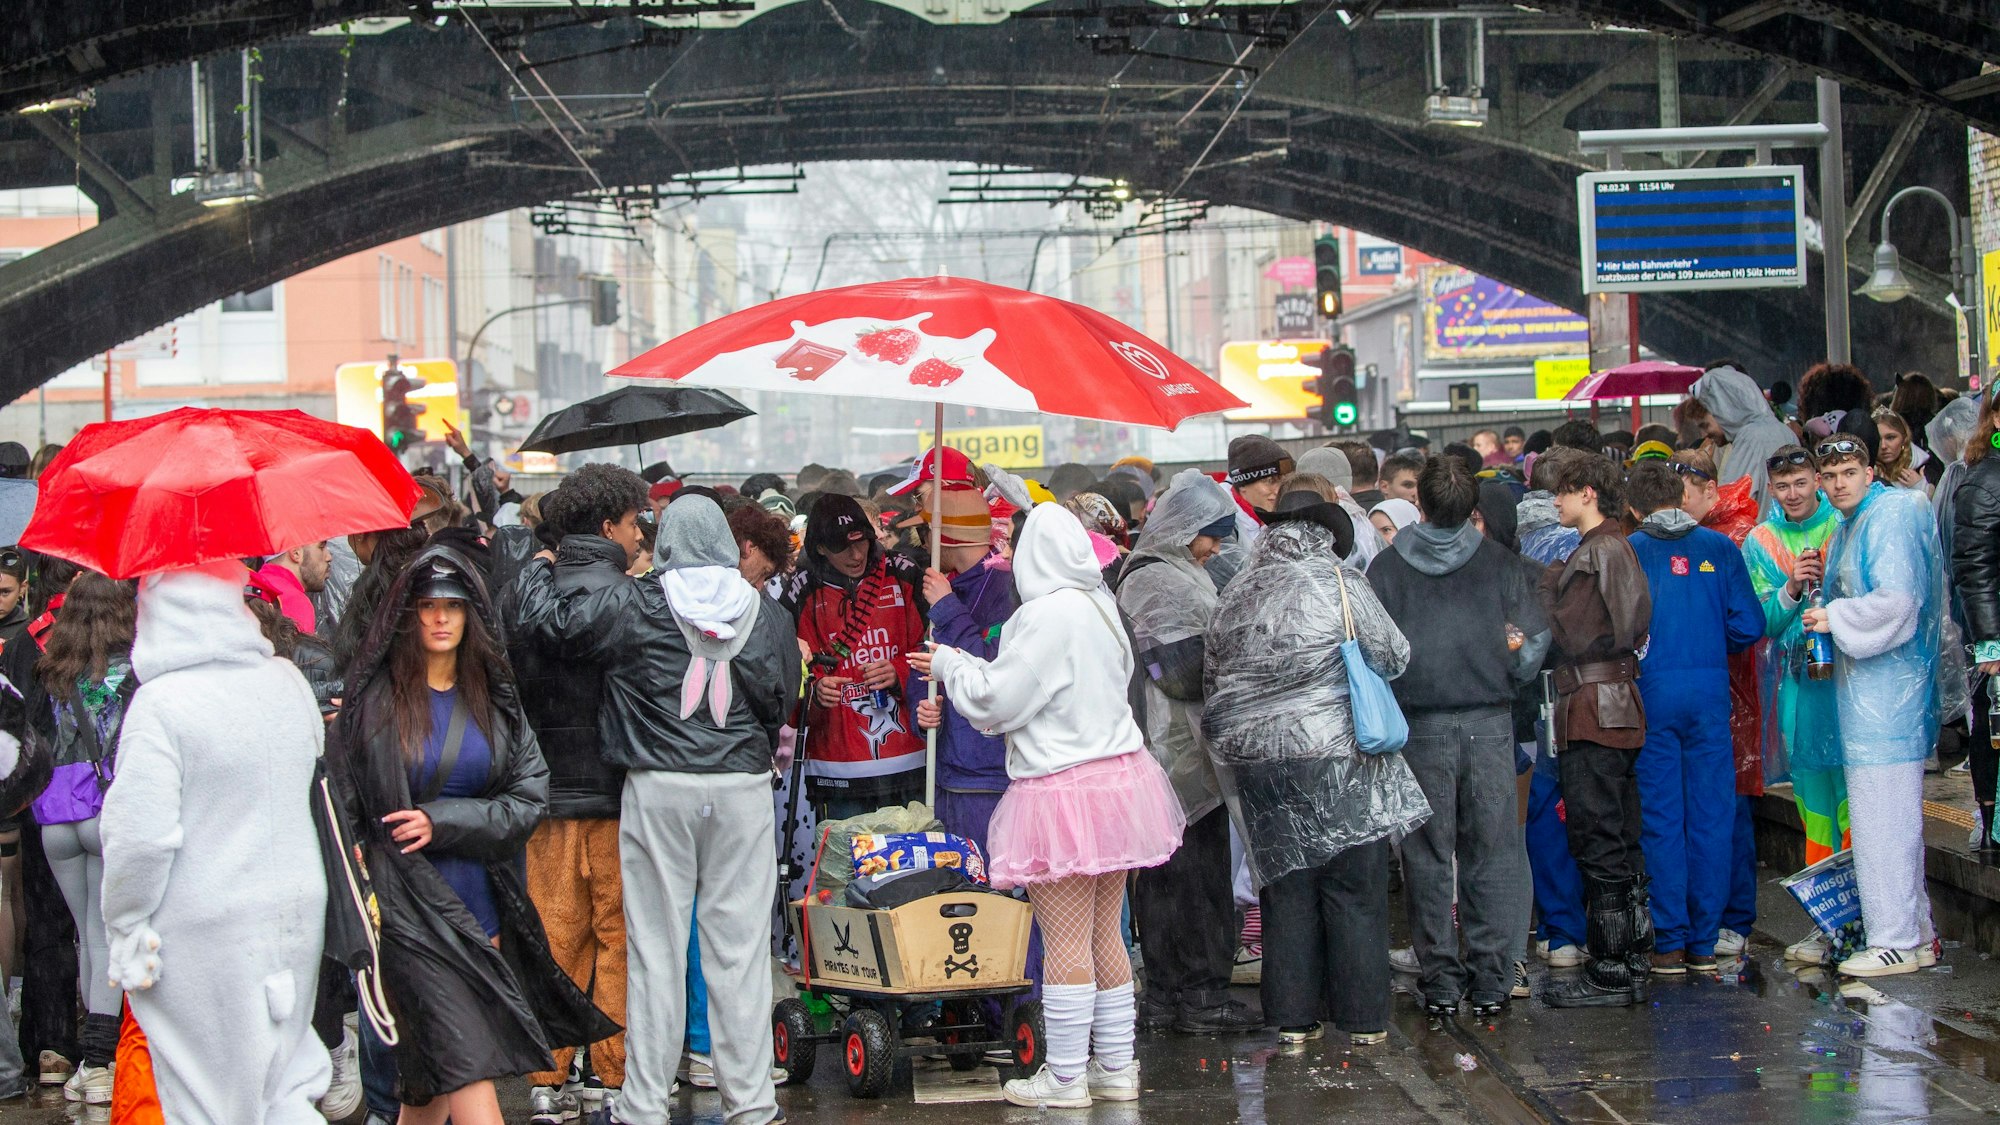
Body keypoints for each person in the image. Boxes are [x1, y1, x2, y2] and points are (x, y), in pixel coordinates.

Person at [516, 496, 798, 1125]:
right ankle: (751, 1103)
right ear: (726, 543)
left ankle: (644, 1102)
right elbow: (780, 702)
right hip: (741, 787)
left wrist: (538, 565)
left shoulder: (637, 601)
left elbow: (552, 625)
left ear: (666, 542)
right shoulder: (767, 612)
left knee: (655, 951)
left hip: (657, 783)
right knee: (739, 953)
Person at [911, 504, 1184, 1108]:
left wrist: (950, 663)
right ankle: (1116, 1067)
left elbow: (997, 701)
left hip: (1061, 790)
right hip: (1119, 783)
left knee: (1063, 940)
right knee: (1106, 937)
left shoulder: (1043, 617)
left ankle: (1063, 1077)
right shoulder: (1100, 606)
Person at [329, 546, 611, 1125]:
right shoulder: (374, 702)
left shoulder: (495, 698)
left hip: (483, 908)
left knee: (430, 1088)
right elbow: (344, 809)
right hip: (405, 911)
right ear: (407, 614)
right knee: (467, 1066)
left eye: (453, 606)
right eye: (428, 605)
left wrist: (443, 821)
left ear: (470, 615)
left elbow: (528, 798)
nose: (440, 617)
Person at [98, 561, 332, 1124]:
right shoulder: (287, 682)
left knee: (206, 1098)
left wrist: (126, 924)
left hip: (200, 926)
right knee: (284, 1084)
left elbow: (139, 839)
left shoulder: (161, 703)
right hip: (297, 910)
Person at [1203, 490, 1425, 1045]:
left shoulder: (1237, 590)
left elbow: (1214, 676)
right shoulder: (1342, 583)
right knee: (1355, 889)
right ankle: (1362, 1019)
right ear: (1324, 534)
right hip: (1338, 756)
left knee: (1285, 887)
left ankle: (1292, 1020)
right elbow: (1393, 655)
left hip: (1257, 763)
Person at [1367, 458, 1547, 1017]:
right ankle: (1492, 978)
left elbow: (1374, 652)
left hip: (1417, 727)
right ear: (1473, 510)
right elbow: (1532, 645)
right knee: (1490, 851)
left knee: (1425, 856)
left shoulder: (1386, 568)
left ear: (1418, 504)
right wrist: (1506, 666)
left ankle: (1441, 979)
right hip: (1489, 722)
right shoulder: (1500, 563)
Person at [506, 464, 649, 1122]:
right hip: (618, 795)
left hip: (543, 795)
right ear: (608, 526)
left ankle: (547, 1075)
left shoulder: (523, 593)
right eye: (634, 522)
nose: (640, 533)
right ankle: (611, 1073)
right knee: (619, 938)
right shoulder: (632, 598)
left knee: (554, 936)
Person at [1117, 470, 1259, 1034]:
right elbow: (1176, 672)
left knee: (1166, 878)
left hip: (1175, 753)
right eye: (1211, 537)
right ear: (1183, 528)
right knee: (1195, 879)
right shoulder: (1157, 580)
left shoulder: (1166, 570)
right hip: (1177, 755)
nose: (1216, 549)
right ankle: (1201, 995)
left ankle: (1167, 994)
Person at [1803, 434, 1947, 977]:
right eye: (1831, 475)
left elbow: (1898, 602)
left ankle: (1894, 938)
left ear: (1869, 473)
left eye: (1849, 472)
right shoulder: (1855, 522)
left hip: (1886, 703)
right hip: (1873, 700)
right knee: (1889, 821)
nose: (1839, 483)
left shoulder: (1886, 517)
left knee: (1884, 823)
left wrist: (1834, 618)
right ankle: (1917, 934)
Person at [1621, 462, 1763, 975]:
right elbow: (1749, 625)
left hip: (1652, 695)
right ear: (1680, 498)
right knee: (1711, 816)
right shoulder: (1720, 548)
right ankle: (1704, 942)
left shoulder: (1629, 550)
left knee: (1661, 819)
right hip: (1708, 697)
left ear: (1633, 507)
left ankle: (1668, 943)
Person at [1537, 454, 1653, 1008]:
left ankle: (1610, 970)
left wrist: (1547, 586)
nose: (1555, 502)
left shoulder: (1598, 550)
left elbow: (1575, 634)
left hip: (1593, 707)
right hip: (1614, 704)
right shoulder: (1614, 546)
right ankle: (1632, 959)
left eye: (1562, 492)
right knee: (1621, 835)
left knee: (1597, 837)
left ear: (1587, 493)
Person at [28, 574, 137, 1103]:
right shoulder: (132, 670)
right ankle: (98, 1062)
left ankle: (88, 1067)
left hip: (55, 816)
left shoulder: (53, 669)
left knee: (84, 935)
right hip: (104, 808)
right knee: (106, 934)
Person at [1741, 443, 1845, 960]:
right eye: (1782, 487)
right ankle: (1830, 923)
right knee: (1813, 806)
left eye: (1801, 483)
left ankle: (1871, 913)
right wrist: (1790, 588)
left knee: (1853, 798)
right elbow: (1760, 623)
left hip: (1847, 680)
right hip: (1799, 683)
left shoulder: (1843, 523)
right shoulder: (1760, 540)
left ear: (1817, 481)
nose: (1793, 494)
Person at [794, 492, 926, 818]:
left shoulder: (904, 573)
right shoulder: (799, 591)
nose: (856, 555)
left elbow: (937, 649)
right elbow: (787, 671)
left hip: (908, 759)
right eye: (843, 547)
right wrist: (815, 690)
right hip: (836, 766)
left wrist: (899, 671)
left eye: (862, 542)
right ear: (820, 548)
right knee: (843, 851)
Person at [906, 484, 1019, 855]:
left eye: (926, 532)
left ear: (945, 537)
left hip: (990, 776)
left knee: (994, 885)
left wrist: (947, 607)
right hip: (948, 772)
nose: (922, 544)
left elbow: (992, 673)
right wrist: (923, 710)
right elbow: (924, 663)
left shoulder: (1007, 588)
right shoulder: (944, 586)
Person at [1691, 361, 1797, 513]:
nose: (1705, 434)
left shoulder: (1750, 438)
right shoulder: (1785, 431)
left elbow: (1729, 506)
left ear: (1724, 409)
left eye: (1706, 424)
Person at [256, 540, 332, 635]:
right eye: (321, 547)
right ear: (296, 553)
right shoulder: (295, 601)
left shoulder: (250, 587)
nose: (329, 557)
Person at [1225, 435, 1293, 517]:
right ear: (1242, 485)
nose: (1278, 491)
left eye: (1284, 481)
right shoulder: (1224, 522)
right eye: (1270, 481)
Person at [1872, 409, 1928, 492]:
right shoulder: (1865, 472)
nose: (1883, 446)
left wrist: (1922, 488)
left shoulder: (1924, 468)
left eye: (1890, 437)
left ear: (1904, 438)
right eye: (1877, 439)